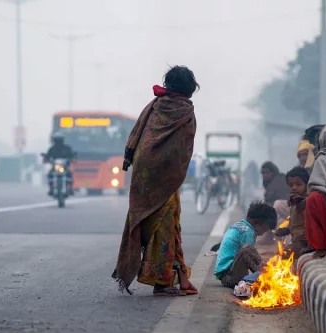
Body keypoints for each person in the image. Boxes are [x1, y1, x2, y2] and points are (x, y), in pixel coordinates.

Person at [112, 65, 200, 297]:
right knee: (165, 225)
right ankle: (162, 283)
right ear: (189, 87)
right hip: (166, 176)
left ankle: (181, 278)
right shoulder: (184, 111)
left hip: (143, 173)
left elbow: (138, 136)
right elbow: (182, 150)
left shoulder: (154, 106)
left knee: (164, 223)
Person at [214, 201, 277, 288]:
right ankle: (264, 276)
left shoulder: (239, 225)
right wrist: (261, 266)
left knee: (250, 252)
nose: (262, 234)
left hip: (226, 275)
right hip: (230, 277)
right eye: (264, 229)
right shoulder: (247, 232)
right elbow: (248, 253)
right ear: (256, 222)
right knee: (247, 250)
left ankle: (262, 273)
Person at [275, 166, 313, 258]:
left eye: (298, 184)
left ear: (307, 185)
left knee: (282, 256)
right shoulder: (294, 201)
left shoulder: (309, 201)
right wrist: (286, 230)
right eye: (291, 185)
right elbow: (296, 224)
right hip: (296, 240)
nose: (294, 188)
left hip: (306, 243)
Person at [43, 132, 76, 196]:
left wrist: (72, 158)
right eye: (57, 140)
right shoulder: (52, 149)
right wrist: (46, 159)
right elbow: (48, 156)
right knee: (49, 174)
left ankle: (71, 189)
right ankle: (51, 189)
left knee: (70, 174)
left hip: (64, 166)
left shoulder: (67, 148)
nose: (58, 142)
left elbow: (71, 155)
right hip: (55, 166)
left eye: (59, 140)